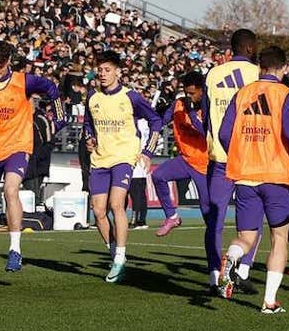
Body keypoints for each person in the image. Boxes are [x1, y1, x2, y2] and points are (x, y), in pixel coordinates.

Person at [0, 39, 59, 281]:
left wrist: (58, 116)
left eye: (0, 65)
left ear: (8, 62)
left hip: (17, 146)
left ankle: (15, 249)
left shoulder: (24, 81)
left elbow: (52, 88)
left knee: (11, 191)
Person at [216, 45, 289, 314]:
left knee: (246, 238)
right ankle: (269, 302)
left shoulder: (242, 93)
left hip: (245, 174)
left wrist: (241, 152)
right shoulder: (286, 94)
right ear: (284, 67)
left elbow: (224, 133)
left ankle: (231, 257)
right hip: (275, 174)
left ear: (260, 66)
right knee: (279, 238)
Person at [84, 50, 161, 284]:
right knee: (98, 211)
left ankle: (120, 257)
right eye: (100, 71)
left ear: (118, 72)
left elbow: (156, 120)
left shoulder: (131, 97)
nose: (103, 75)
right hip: (99, 159)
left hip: (123, 158)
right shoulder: (93, 98)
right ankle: (113, 252)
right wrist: (89, 136)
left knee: (116, 204)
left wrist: (147, 151)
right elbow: (88, 122)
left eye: (107, 70)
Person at [203, 29, 262, 291]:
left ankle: (215, 276)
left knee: (215, 221)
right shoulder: (258, 75)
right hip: (250, 158)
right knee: (251, 219)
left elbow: (205, 116)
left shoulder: (213, 74)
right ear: (250, 49)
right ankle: (243, 271)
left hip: (219, 157)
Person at [152, 71, 210, 237]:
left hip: (203, 164)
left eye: (192, 93)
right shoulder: (178, 104)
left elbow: (203, 131)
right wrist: (154, 117)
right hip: (185, 160)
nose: (189, 96)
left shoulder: (208, 108)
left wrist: (192, 113)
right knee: (158, 176)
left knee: (207, 211)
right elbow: (162, 120)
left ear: (201, 91)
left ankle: (216, 255)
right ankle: (172, 216)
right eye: (186, 93)